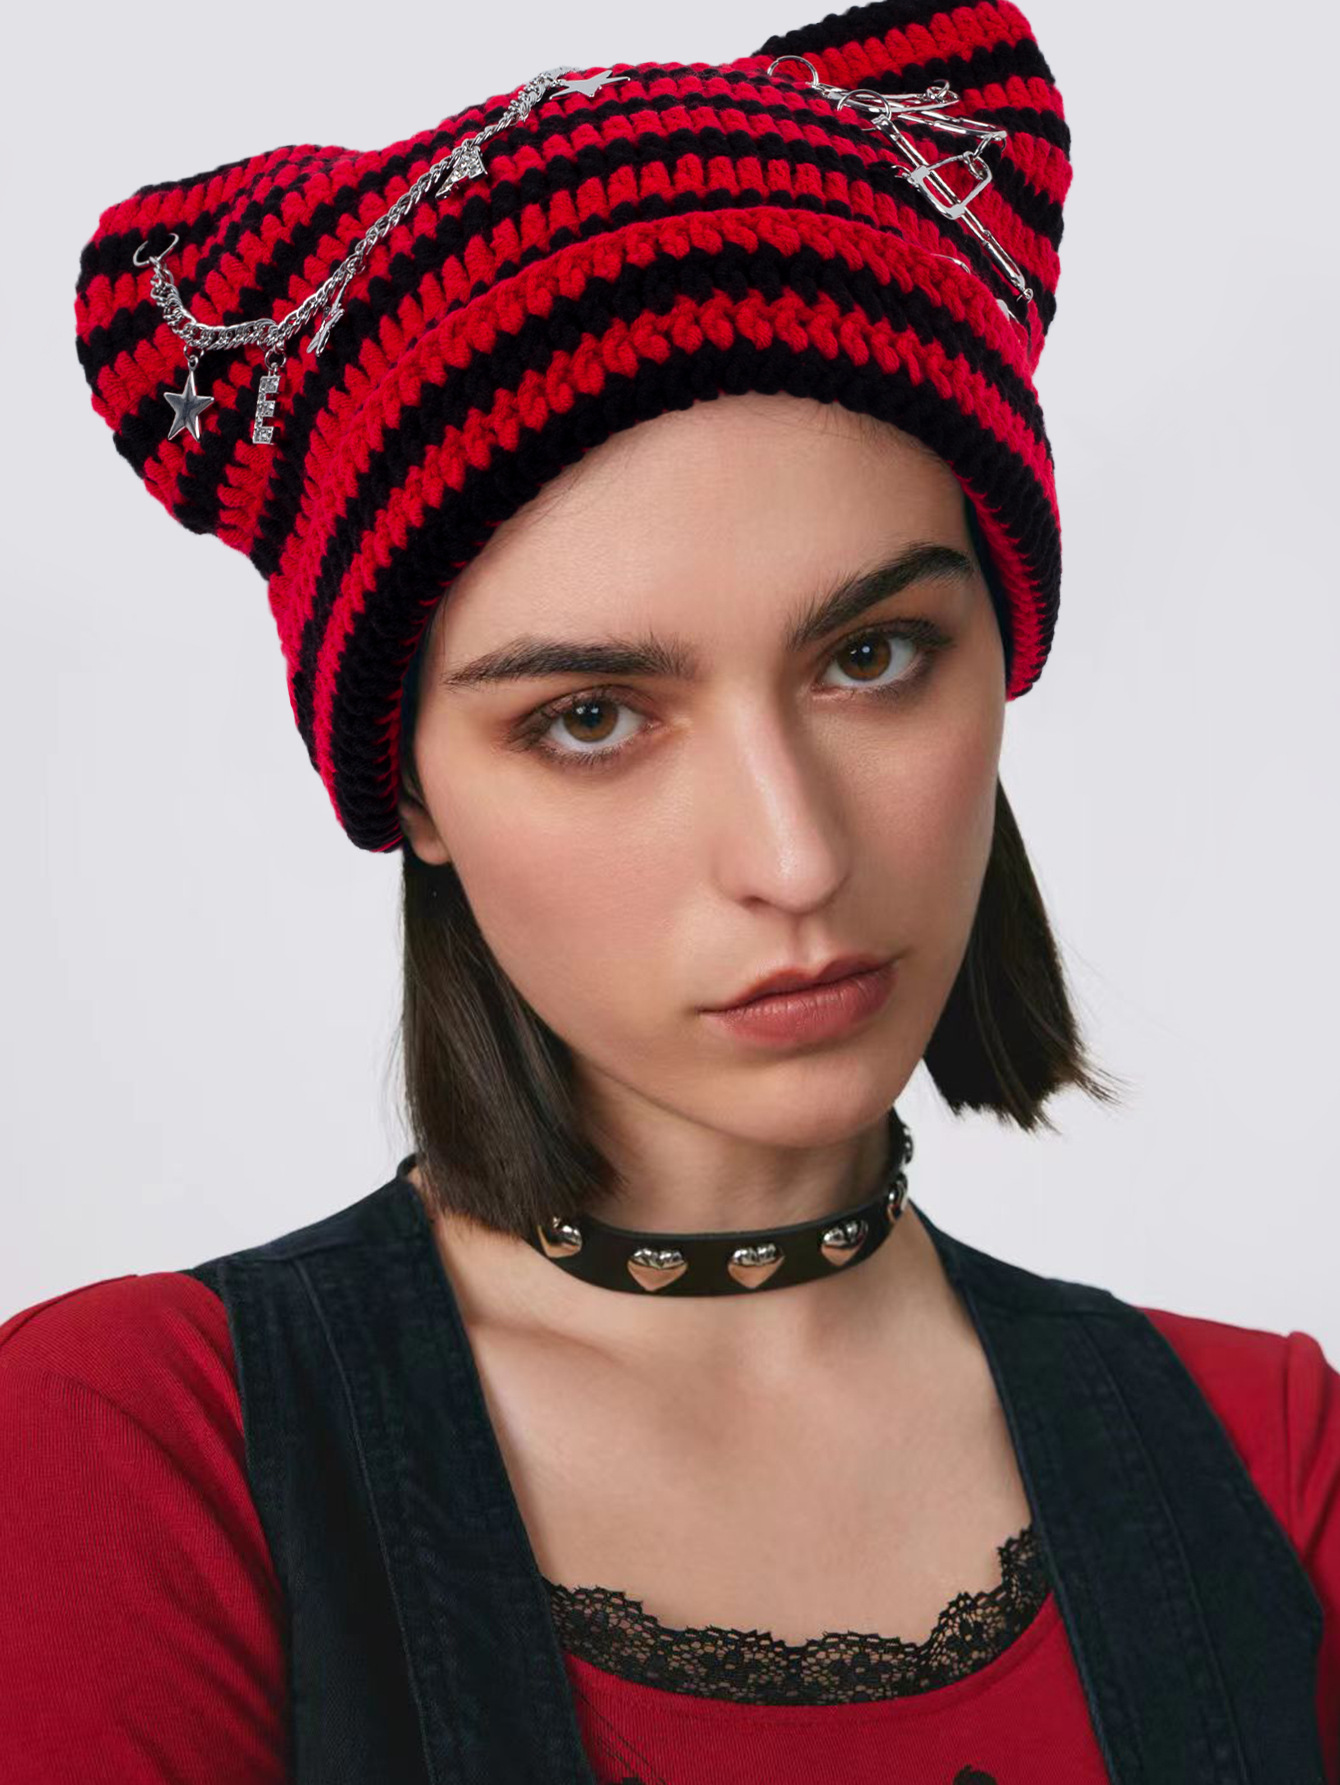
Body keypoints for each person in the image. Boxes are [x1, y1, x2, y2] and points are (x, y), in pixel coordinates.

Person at [4, 3, 1336, 1780]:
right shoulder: (144, 1447)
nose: (794, 856)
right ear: (412, 786)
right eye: (592, 716)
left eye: (873, 653)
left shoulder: (1268, 1456)